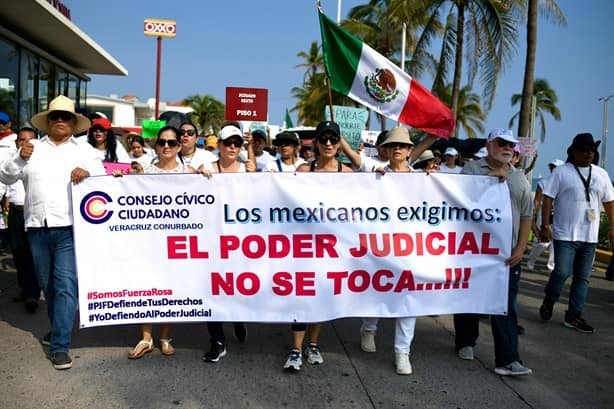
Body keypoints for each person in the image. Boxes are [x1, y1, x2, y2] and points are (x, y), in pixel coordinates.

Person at [0, 95, 105, 370]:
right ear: (48, 121)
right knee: (49, 286)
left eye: (65, 117)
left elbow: (101, 176)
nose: (60, 120)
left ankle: (60, 345)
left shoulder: (84, 150)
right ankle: (58, 328)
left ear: (73, 122)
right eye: (55, 116)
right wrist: (19, 159)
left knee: (66, 285)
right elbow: (6, 176)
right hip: (37, 228)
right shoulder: (31, 147)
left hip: (69, 229)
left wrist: (88, 172)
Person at [454, 128, 533, 376]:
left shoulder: (520, 178)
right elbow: (458, 202)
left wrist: (521, 248)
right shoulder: (471, 170)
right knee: (470, 297)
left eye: (511, 144)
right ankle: (466, 341)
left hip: (506, 256)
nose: (507, 148)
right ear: (489, 145)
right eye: (501, 143)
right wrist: (491, 180)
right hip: (474, 251)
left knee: (505, 306)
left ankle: (508, 359)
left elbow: (526, 217)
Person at [282, 121, 352, 372]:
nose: (329, 144)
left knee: (322, 296)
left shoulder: (349, 174)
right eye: (324, 139)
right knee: (301, 296)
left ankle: (313, 343)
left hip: (333, 249)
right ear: (317, 143)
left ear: (340, 142)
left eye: (334, 139)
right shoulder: (303, 170)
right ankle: (295, 349)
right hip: (303, 247)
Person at [126, 125, 197, 359]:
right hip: (147, 241)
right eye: (162, 142)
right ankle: (145, 338)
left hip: (178, 242)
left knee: (172, 288)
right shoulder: (142, 171)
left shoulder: (191, 173)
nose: (166, 146)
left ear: (179, 146)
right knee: (145, 286)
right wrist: (119, 180)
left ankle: (165, 336)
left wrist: (206, 177)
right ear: (156, 145)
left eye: (172, 143)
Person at [538, 133, 614, 334]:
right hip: (565, 235)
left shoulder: (601, 174)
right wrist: (546, 226)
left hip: (590, 237)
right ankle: (550, 299)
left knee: (583, 278)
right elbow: (547, 199)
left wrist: (613, 227)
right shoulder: (562, 172)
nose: (590, 153)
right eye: (585, 150)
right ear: (574, 152)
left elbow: (609, 202)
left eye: (592, 150)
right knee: (562, 272)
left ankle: (574, 315)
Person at [359, 127, 417, 375]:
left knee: (409, 298)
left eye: (402, 146)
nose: (397, 149)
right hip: (381, 245)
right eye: (393, 145)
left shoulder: (423, 178)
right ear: (385, 149)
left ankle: (402, 351)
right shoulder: (377, 174)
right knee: (379, 288)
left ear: (409, 151)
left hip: (413, 247)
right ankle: (369, 328)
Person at [202, 125, 255, 363]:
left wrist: (258, 174)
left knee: (236, 288)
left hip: (241, 242)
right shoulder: (207, 169)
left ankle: (238, 317)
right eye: (228, 142)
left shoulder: (248, 169)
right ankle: (218, 341)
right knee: (210, 289)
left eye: (237, 143)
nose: (233, 147)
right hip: (212, 240)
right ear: (219, 146)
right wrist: (197, 177)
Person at [4, 127, 40, 313]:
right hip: (15, 212)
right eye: (21, 140)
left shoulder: (39, 161)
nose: (26, 144)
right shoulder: (11, 161)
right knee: (18, 252)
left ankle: (33, 293)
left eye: (30, 140)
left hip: (32, 212)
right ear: (16, 142)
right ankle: (23, 288)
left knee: (32, 254)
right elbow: (5, 182)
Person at [526, 159, 564, 272]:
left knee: (555, 243)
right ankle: (531, 260)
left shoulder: (563, 182)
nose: (553, 169)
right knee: (543, 242)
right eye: (552, 167)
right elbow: (537, 200)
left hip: (559, 216)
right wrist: (533, 214)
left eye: (555, 167)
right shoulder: (543, 182)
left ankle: (551, 265)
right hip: (544, 215)